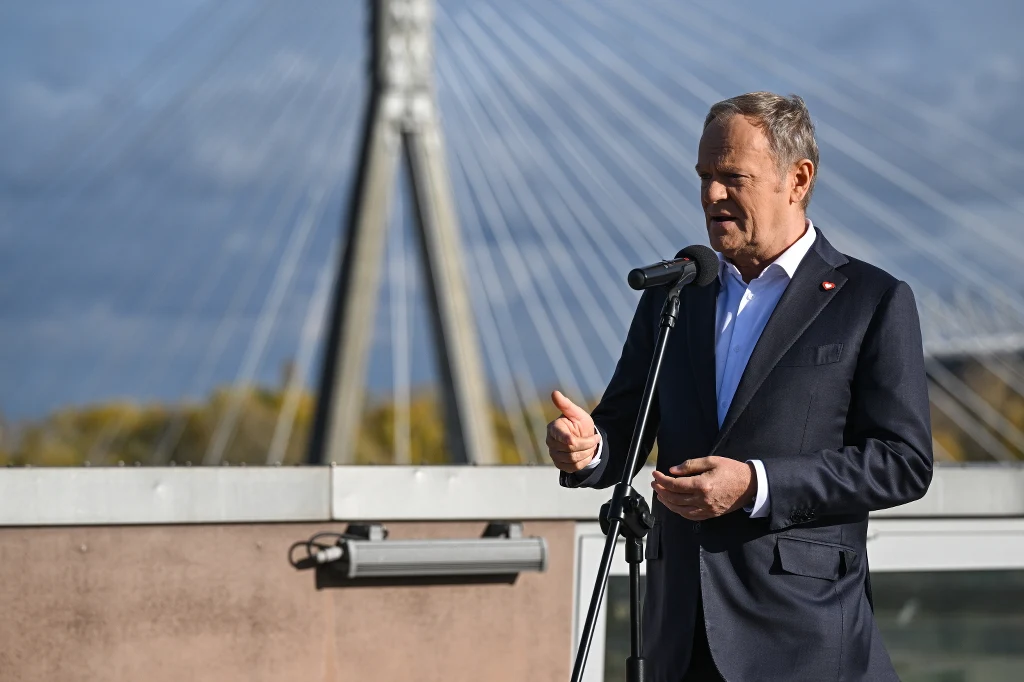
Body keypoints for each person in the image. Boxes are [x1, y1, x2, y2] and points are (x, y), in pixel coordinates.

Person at [548, 92, 933, 682]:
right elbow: (624, 428)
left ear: (798, 179)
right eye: (704, 176)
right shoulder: (675, 294)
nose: (711, 195)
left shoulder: (871, 300)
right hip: (679, 631)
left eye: (733, 177)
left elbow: (902, 462)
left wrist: (756, 484)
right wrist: (589, 448)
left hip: (803, 640)